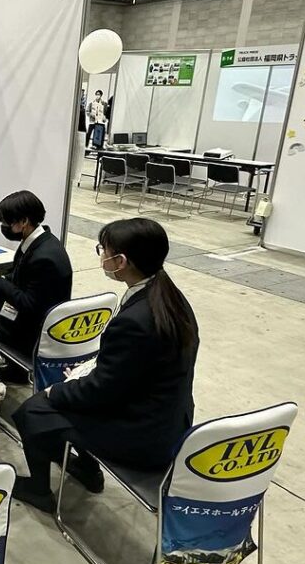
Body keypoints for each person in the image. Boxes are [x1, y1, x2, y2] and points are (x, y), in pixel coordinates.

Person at [11, 218, 199, 513]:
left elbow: (100, 392)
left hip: (142, 435)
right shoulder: (170, 297)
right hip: (169, 419)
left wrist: (55, 391)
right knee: (66, 397)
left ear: (121, 261)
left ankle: (39, 489)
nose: (102, 256)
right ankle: (86, 468)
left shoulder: (136, 320)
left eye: (104, 250)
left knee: (33, 411)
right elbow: (128, 371)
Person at [0, 192, 73, 369]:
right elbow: (20, 277)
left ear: (24, 221)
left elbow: (29, 305)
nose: (4, 227)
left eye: (7, 222)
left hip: (32, 331)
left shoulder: (44, 258)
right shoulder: (39, 241)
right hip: (30, 317)